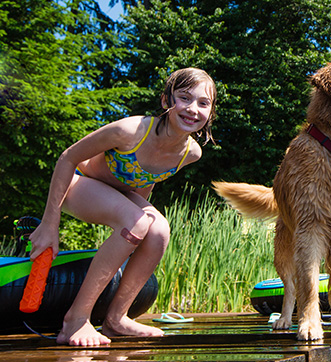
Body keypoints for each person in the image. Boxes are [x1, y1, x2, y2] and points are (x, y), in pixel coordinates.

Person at [28, 68, 217, 347]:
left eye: (203, 103)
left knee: (160, 230)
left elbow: (145, 181)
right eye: (184, 98)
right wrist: (49, 224)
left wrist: (139, 230)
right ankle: (76, 320)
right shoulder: (130, 131)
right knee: (138, 221)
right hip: (77, 183)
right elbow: (67, 158)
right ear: (166, 101)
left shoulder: (190, 153)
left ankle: (117, 319)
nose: (192, 109)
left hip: (116, 192)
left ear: (210, 112)